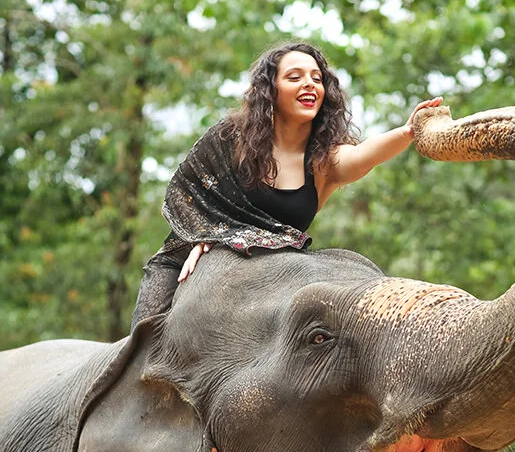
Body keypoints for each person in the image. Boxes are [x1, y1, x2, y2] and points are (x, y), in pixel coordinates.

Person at [130, 41, 442, 328]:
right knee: (140, 349)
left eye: (317, 78)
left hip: (276, 279)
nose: (309, 83)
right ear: (270, 90)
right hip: (188, 260)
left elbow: (362, 155)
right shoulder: (230, 140)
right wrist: (212, 235)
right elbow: (185, 196)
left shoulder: (323, 162)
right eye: (295, 77)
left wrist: (407, 131)